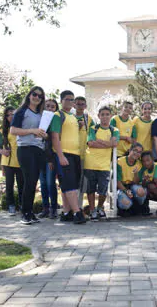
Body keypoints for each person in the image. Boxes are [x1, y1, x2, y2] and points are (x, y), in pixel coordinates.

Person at [10, 86, 48, 224]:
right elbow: (13, 130)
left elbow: (42, 132)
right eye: (34, 94)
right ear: (29, 95)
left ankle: (30, 212)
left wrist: (44, 134)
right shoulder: (21, 111)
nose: (37, 97)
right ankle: (24, 213)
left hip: (38, 149)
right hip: (25, 149)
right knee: (29, 180)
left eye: (40, 96)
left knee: (33, 182)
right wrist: (32, 131)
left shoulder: (41, 114)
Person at [49, 90, 87, 224]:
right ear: (61, 100)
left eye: (72, 100)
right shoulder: (57, 115)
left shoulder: (72, 116)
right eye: (67, 99)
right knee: (70, 185)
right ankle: (77, 213)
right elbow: (54, 136)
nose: (70, 102)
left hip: (75, 155)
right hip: (64, 154)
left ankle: (66, 212)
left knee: (67, 185)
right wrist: (60, 156)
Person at [84, 106, 119, 221]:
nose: (104, 116)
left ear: (110, 116)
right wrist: (107, 143)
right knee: (91, 189)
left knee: (103, 189)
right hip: (91, 163)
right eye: (102, 114)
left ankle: (100, 208)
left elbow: (114, 143)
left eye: (107, 114)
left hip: (104, 165)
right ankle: (92, 210)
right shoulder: (93, 128)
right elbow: (91, 143)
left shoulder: (114, 130)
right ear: (99, 116)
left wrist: (99, 141)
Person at [0, 106, 23, 216]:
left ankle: (22, 206)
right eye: (8, 115)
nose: (11, 117)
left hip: (21, 161)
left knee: (22, 185)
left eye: (13, 114)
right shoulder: (2, 130)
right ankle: (11, 206)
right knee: (9, 185)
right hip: (8, 161)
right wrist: (1, 151)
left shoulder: (22, 127)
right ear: (5, 117)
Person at [38, 99, 59, 219]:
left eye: (53, 107)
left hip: (51, 157)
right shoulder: (40, 120)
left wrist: (51, 160)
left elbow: (53, 142)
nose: (50, 109)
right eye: (48, 106)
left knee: (51, 183)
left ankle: (54, 209)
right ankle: (45, 208)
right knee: (43, 183)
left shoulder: (56, 121)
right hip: (40, 157)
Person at [116, 143, 148, 216]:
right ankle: (126, 208)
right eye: (135, 150)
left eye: (139, 152)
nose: (137, 153)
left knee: (141, 191)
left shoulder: (140, 164)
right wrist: (126, 191)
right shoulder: (120, 161)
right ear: (130, 150)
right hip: (122, 187)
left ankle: (138, 206)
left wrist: (136, 174)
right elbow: (118, 181)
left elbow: (136, 182)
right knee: (126, 204)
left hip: (133, 186)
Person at [74, 96, 92, 209]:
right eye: (78, 104)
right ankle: (72, 207)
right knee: (73, 182)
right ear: (74, 105)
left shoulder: (88, 119)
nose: (80, 106)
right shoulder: (70, 117)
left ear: (85, 106)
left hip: (84, 156)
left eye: (82, 104)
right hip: (71, 154)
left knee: (82, 183)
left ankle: (78, 207)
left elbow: (94, 132)